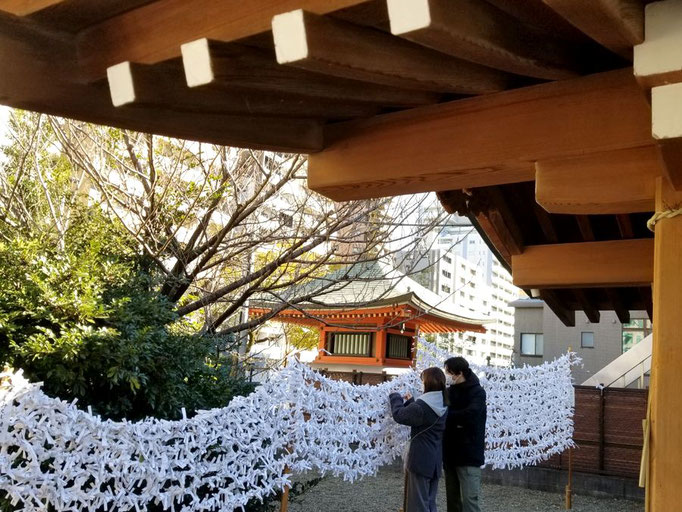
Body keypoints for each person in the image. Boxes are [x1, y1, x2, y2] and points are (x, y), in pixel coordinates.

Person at [389, 367, 448, 512]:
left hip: (420, 461)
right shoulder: (444, 403)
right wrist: (411, 402)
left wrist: (395, 397)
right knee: (429, 503)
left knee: (417, 505)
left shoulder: (421, 407)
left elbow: (399, 415)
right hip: (434, 462)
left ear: (426, 384)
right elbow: (422, 419)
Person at [443, 357, 486, 512]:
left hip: (469, 454)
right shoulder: (449, 391)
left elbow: (471, 414)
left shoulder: (478, 392)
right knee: (452, 501)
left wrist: (448, 416)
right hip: (449, 454)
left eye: (449, 372)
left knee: (470, 501)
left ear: (459, 373)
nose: (447, 375)